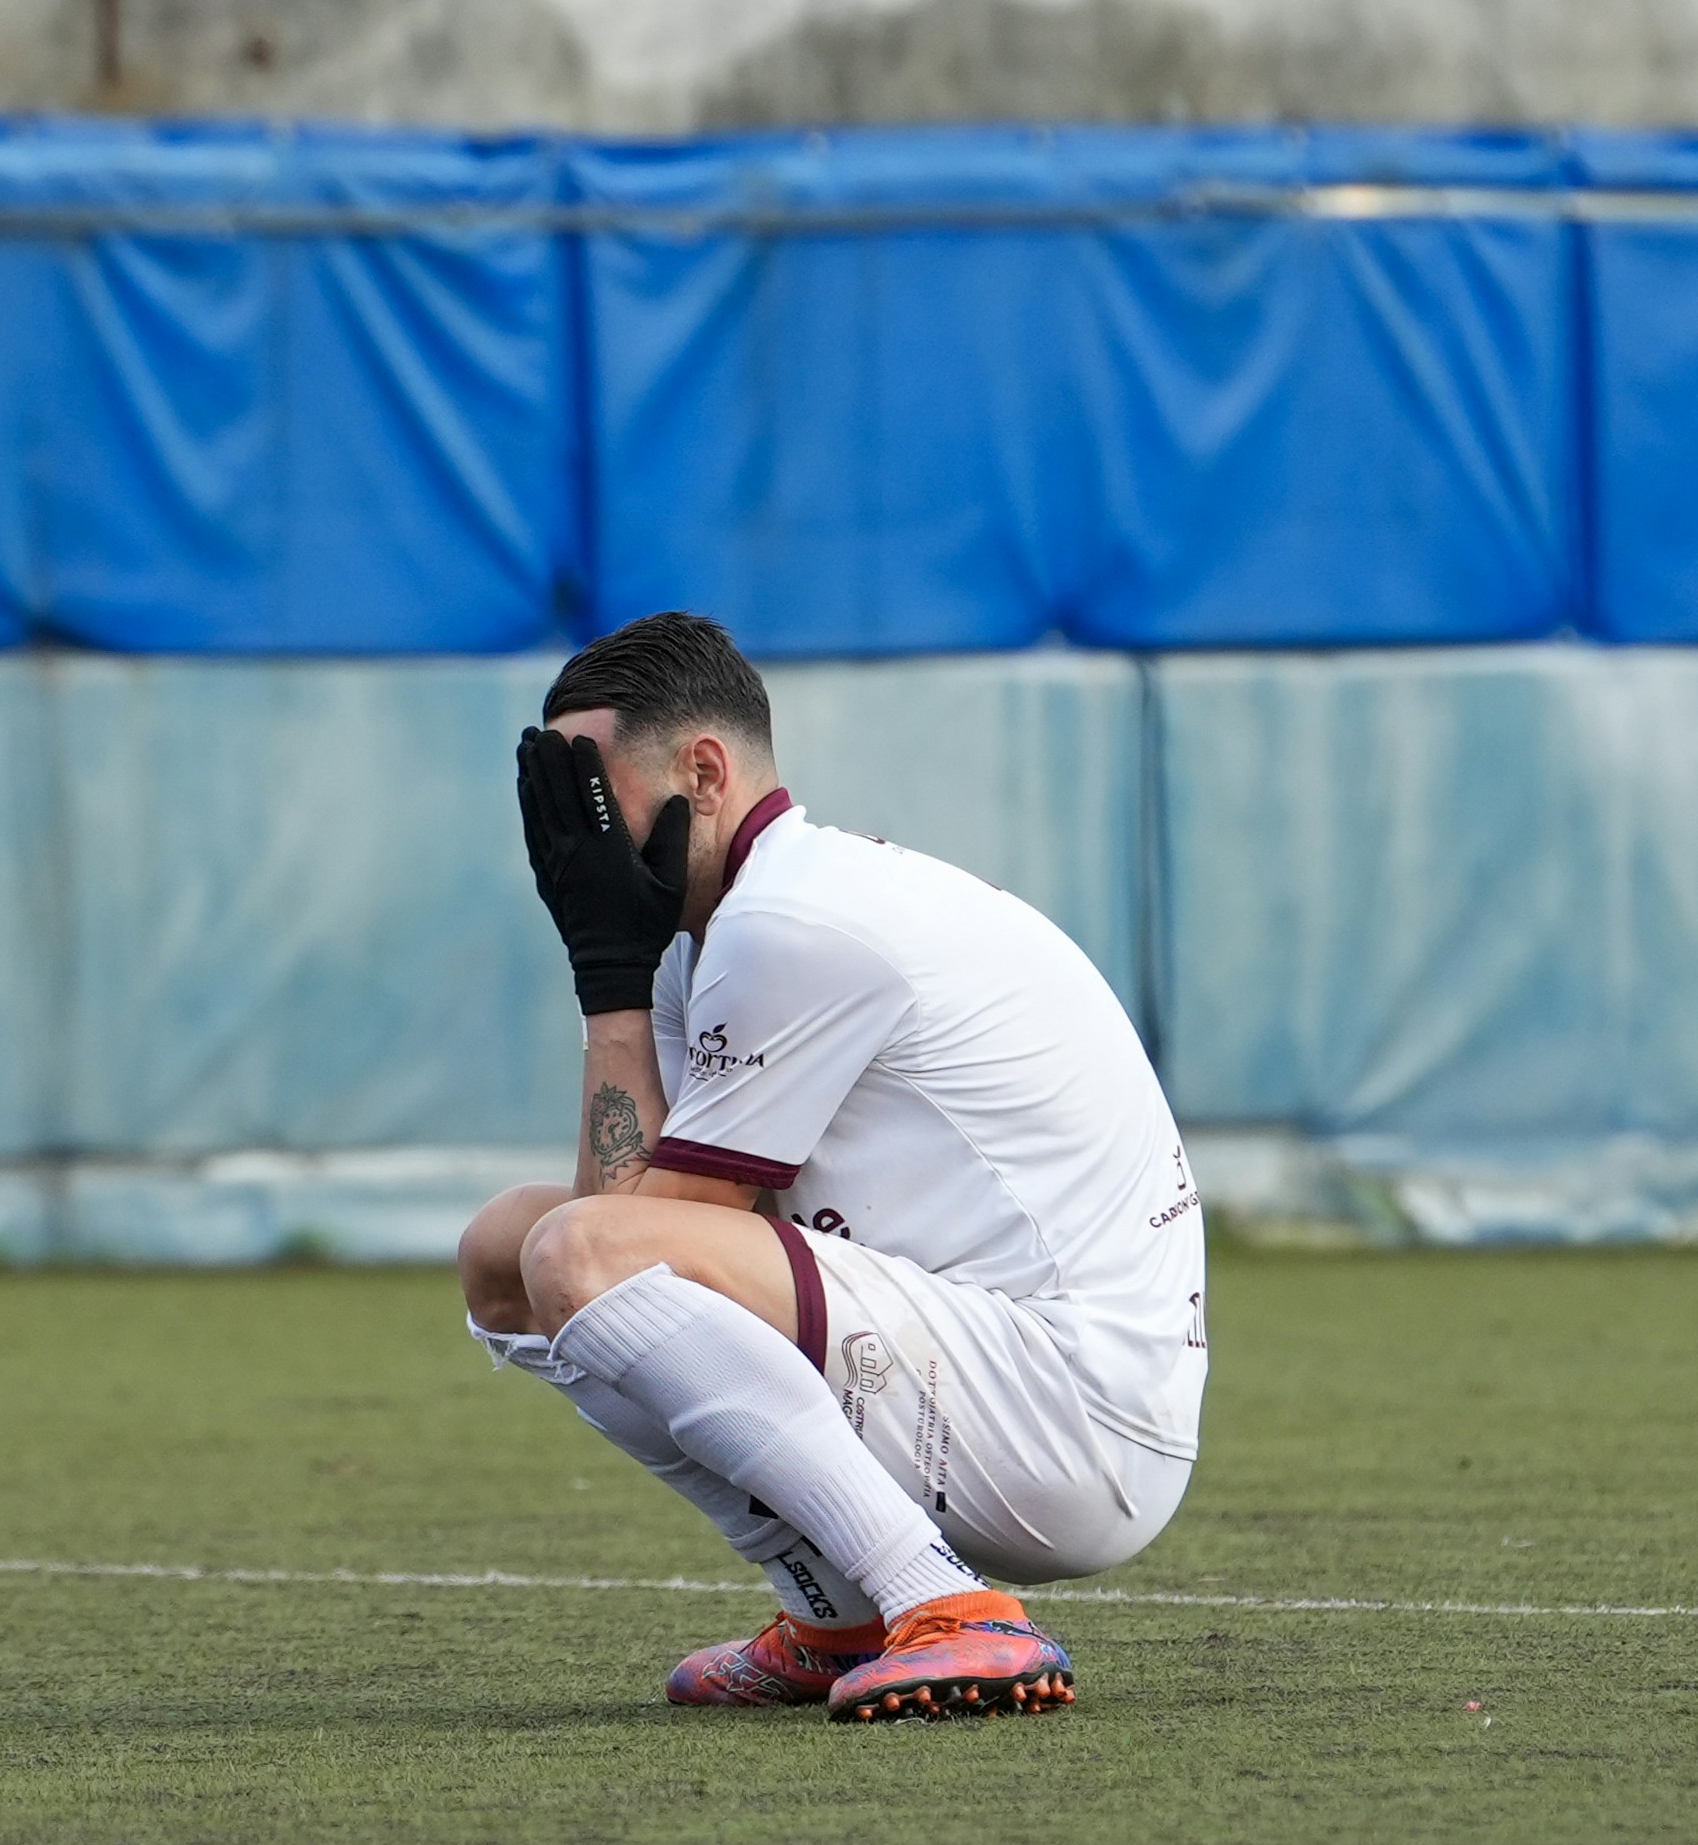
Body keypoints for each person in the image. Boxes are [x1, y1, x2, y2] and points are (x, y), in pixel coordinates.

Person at [458, 613, 1207, 1722]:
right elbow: (631, 1232)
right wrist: (615, 974)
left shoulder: (792, 918)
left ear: (703, 770)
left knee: (575, 1247)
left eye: (594, 799)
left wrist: (607, 979)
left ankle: (946, 1605)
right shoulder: (716, 934)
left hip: (1076, 1418)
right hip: (983, 1370)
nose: (579, 843)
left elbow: (632, 1242)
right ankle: (832, 1607)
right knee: (507, 1250)